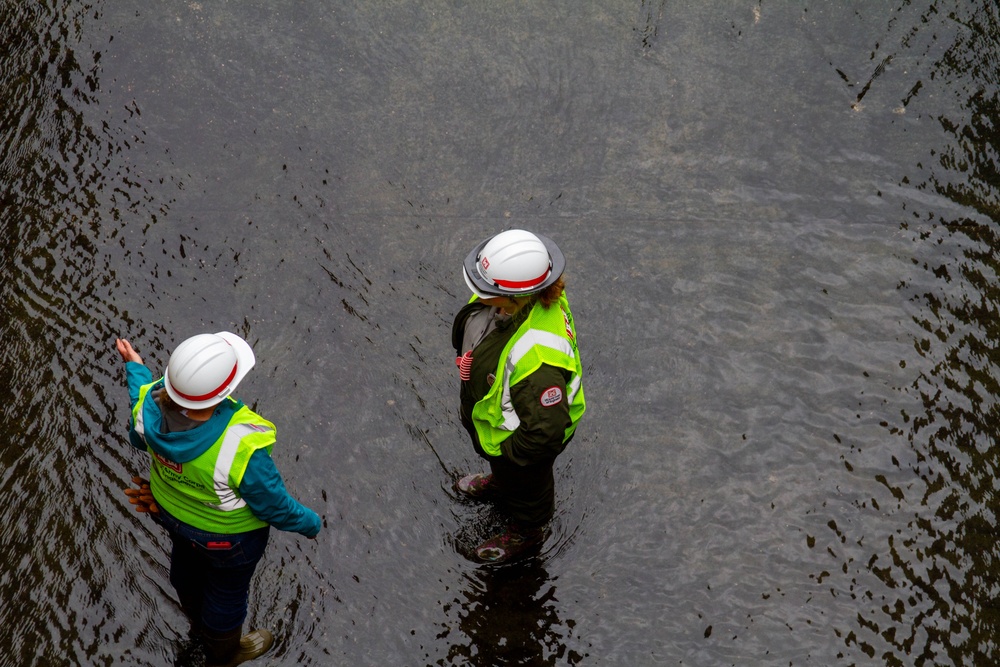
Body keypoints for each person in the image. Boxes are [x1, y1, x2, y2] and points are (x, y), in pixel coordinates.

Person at [115, 332, 322, 666]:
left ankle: (198, 629)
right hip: (229, 541)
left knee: (185, 570)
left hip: (171, 516)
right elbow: (273, 506)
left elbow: (140, 406)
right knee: (227, 593)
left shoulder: (148, 410)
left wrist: (135, 367)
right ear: (225, 391)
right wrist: (311, 523)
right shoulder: (239, 443)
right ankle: (225, 654)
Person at [452, 229, 586, 563]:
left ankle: (528, 530)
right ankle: (502, 479)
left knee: (528, 485)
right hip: (504, 425)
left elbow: (544, 432)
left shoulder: (538, 360)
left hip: (524, 441)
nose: (477, 292)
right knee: (506, 468)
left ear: (514, 297)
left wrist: (511, 454)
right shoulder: (521, 302)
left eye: (485, 289)